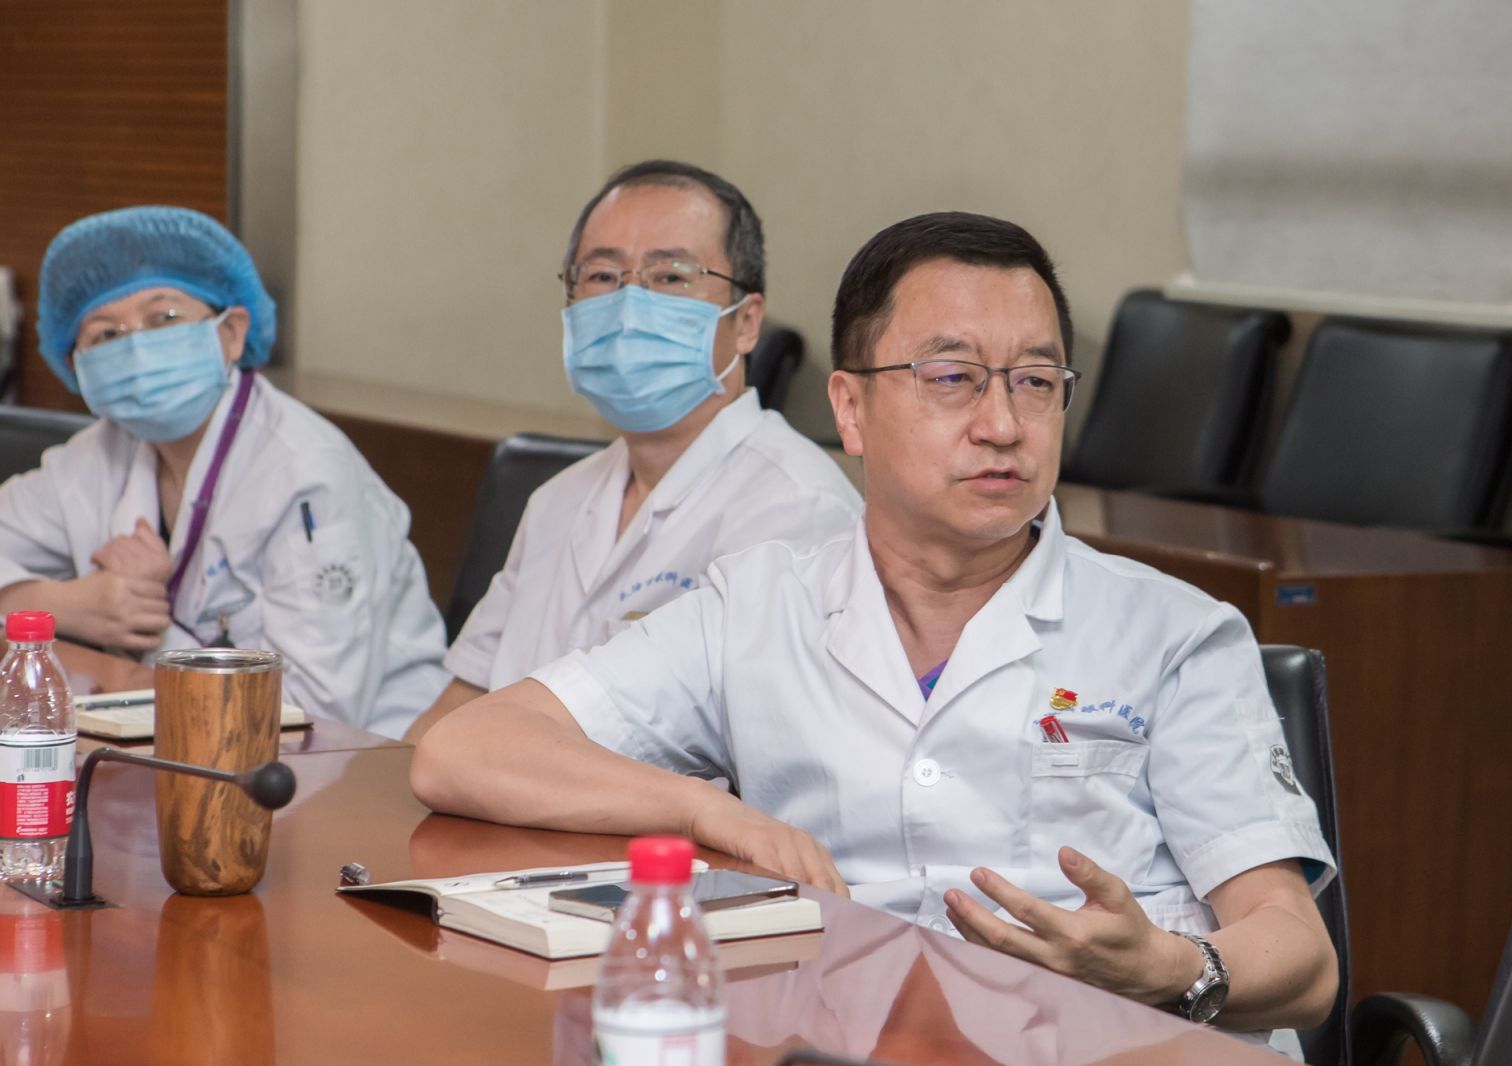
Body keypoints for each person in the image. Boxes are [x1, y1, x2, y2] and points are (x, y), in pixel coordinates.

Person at [412, 212, 1337, 1042]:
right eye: (953, 378)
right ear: (850, 409)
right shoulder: (759, 605)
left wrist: (1173, 968)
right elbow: (466, 750)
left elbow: (1303, 960)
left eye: (1035, 381)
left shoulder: (1174, 631)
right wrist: (706, 811)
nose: (1003, 424)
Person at [403, 160, 861, 742]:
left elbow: (766, 762)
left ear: (747, 323)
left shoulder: (796, 511)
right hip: (495, 796)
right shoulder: (555, 501)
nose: (628, 306)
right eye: (602, 276)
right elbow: (456, 711)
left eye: (670, 276)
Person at [0, 205, 448, 739]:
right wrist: (62, 605)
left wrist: (151, 628)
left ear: (231, 333)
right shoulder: (96, 456)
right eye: (105, 335)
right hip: (180, 742)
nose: (136, 347)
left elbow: (312, 707)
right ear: (76, 363)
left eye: (164, 318)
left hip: (352, 760)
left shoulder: (306, 472)